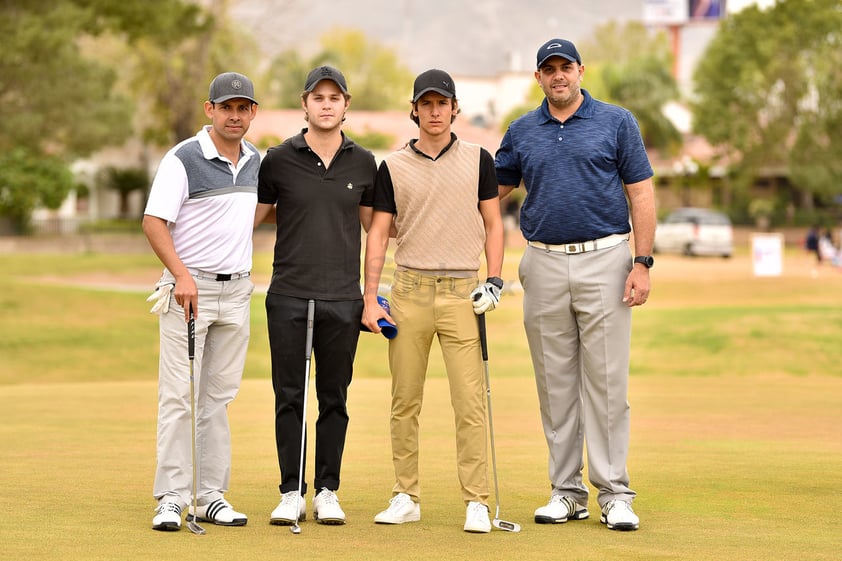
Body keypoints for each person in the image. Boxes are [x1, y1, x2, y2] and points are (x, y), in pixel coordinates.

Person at [494, 38, 656, 532]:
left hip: (606, 259)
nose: (558, 76)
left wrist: (642, 261)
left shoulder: (616, 122)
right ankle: (567, 492)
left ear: (581, 70)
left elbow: (641, 194)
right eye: (549, 69)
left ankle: (615, 494)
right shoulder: (521, 130)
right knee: (555, 385)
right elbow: (490, 192)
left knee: (607, 385)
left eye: (566, 67)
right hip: (542, 263)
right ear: (538, 77)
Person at [362, 69, 505, 534]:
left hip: (463, 292)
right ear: (416, 110)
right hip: (409, 292)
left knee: (469, 403)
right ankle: (406, 495)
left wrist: (496, 279)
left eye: (442, 102)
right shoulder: (393, 167)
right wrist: (370, 296)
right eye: (427, 103)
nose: (435, 110)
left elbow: (494, 224)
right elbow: (379, 233)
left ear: (454, 107)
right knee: (405, 400)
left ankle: (477, 502)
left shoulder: (480, 159)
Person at [254, 65, 377, 526]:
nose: (326, 104)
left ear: (346, 105)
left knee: (334, 397)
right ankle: (291, 491)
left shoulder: (364, 162)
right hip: (287, 293)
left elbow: (376, 228)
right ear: (304, 104)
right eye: (317, 97)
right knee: (289, 395)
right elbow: (255, 215)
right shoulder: (278, 159)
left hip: (342, 298)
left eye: (334, 97)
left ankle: (327, 489)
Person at [143, 72, 260, 531]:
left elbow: (255, 213)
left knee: (218, 398)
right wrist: (181, 275)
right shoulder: (183, 158)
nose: (235, 115)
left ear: (253, 113)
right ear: (209, 109)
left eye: (243, 108)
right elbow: (154, 222)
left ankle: (210, 494)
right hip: (189, 293)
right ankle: (172, 496)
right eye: (226, 107)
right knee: (179, 396)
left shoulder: (254, 161)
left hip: (238, 293)